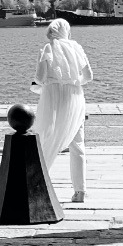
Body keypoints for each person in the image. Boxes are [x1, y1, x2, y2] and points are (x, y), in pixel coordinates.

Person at [31, 18, 93, 203]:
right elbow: (89, 76)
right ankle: (80, 191)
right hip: (75, 97)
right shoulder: (77, 47)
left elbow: (40, 78)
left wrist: (48, 83)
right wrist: (73, 82)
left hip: (52, 97)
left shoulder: (48, 48)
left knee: (45, 138)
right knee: (77, 143)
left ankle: (36, 184)